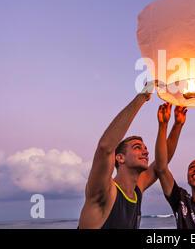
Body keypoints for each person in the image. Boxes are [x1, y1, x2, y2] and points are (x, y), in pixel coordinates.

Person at [78, 82, 187, 229]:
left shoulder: (137, 190)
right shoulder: (105, 191)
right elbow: (105, 147)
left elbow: (161, 163)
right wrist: (142, 97)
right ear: (120, 158)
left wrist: (174, 125)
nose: (146, 152)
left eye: (145, 148)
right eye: (137, 148)